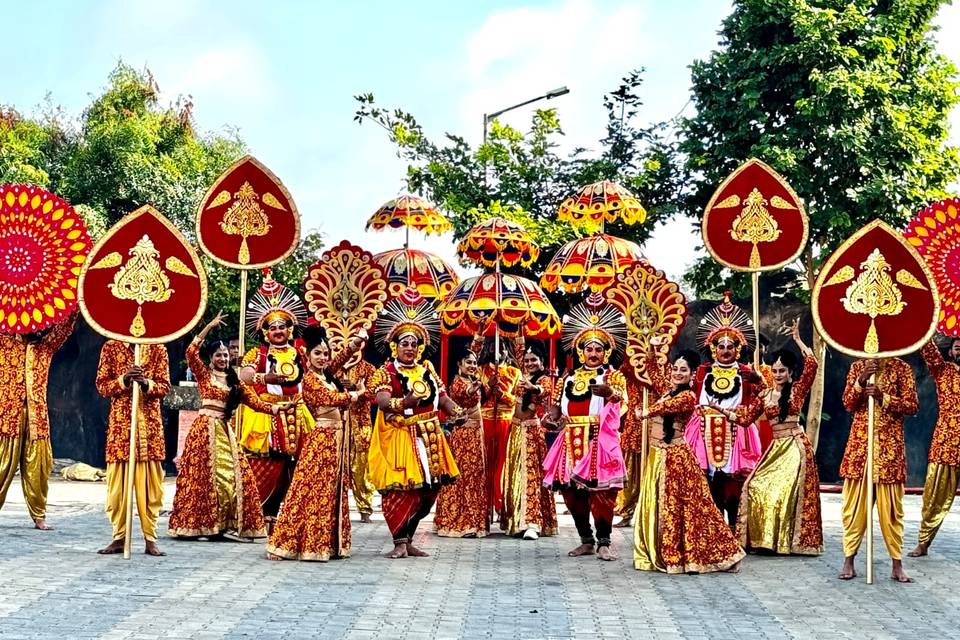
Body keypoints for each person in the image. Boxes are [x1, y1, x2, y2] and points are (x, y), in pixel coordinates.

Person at [633, 338, 744, 573]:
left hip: (676, 458)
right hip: (658, 456)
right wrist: (653, 349)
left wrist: (645, 412)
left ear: (693, 374)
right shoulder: (668, 390)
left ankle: (724, 554)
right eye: (675, 368)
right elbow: (653, 372)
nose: (677, 373)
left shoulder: (688, 397)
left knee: (692, 508)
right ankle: (666, 551)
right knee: (665, 506)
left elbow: (666, 408)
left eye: (683, 370)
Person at [367, 289, 464, 559]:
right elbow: (382, 401)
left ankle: (408, 538)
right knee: (403, 489)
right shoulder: (386, 371)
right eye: (404, 343)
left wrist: (457, 411)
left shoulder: (427, 370)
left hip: (431, 435)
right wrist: (406, 402)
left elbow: (442, 396)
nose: (409, 348)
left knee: (429, 490)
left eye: (413, 343)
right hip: (400, 435)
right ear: (394, 346)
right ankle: (398, 541)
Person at [168, 311, 270, 540]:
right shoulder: (205, 376)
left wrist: (277, 409)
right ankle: (202, 526)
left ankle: (225, 524)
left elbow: (254, 402)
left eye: (226, 355)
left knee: (233, 478)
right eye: (219, 356)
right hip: (203, 432)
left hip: (225, 432)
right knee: (200, 479)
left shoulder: (235, 382)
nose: (223, 359)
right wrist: (209, 327)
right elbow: (191, 352)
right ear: (212, 358)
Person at [266, 325, 365, 561]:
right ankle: (291, 542)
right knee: (310, 490)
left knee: (331, 492)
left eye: (325, 353)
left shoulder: (326, 374)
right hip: (322, 440)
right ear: (307, 356)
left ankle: (328, 543)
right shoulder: (309, 379)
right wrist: (357, 394)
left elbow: (340, 358)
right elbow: (331, 398)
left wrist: (356, 342)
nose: (323, 357)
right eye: (318, 353)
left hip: (337, 440)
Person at [542, 294, 627, 561]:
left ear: (606, 352)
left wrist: (611, 392)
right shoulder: (568, 377)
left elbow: (622, 404)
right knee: (570, 493)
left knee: (602, 494)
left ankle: (604, 542)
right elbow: (557, 406)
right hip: (569, 440)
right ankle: (586, 540)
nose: (593, 353)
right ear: (580, 351)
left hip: (598, 441)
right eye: (588, 349)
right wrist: (550, 417)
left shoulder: (613, 376)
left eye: (598, 349)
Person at [735, 319, 822, 555]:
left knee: (782, 491)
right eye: (774, 371)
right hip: (776, 448)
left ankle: (785, 543)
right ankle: (763, 540)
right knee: (754, 485)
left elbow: (812, 363)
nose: (777, 374)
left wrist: (798, 340)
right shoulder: (765, 394)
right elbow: (744, 419)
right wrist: (721, 411)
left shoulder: (798, 389)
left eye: (782, 370)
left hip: (795, 447)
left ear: (790, 372)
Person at [236, 273, 312, 523]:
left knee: (298, 467)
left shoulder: (300, 353)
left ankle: (290, 517)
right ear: (266, 333)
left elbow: (315, 375)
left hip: (299, 415)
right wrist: (264, 379)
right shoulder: (257, 353)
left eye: (282, 326)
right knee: (267, 466)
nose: (278, 331)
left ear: (290, 330)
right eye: (273, 327)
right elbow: (244, 375)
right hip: (266, 416)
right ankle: (258, 516)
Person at [684, 293, 764, 527]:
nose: (726, 350)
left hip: (736, 432)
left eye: (731, 346)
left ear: (737, 349)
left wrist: (759, 380)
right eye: (721, 346)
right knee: (708, 486)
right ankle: (712, 531)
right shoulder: (701, 372)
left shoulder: (748, 372)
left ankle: (734, 530)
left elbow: (766, 398)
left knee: (734, 488)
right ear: (713, 348)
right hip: (703, 431)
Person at [838, 357, 918, 583]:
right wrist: (861, 381)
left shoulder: (901, 368)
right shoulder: (856, 367)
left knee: (892, 512)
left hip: (889, 452)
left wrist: (884, 397)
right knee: (854, 510)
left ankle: (896, 564)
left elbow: (912, 405)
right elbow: (848, 403)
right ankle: (849, 561)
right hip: (860, 451)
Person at [0, 311, 76, 530]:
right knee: (2, 467)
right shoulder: (5, 343)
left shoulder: (44, 348)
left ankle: (38, 515)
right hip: (7, 417)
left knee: (38, 469)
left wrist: (75, 307)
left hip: (37, 419)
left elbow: (63, 329)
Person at [95, 340, 170, 556]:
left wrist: (146, 383)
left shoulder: (158, 347)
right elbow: (101, 385)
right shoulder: (110, 346)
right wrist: (124, 379)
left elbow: (165, 386)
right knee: (117, 491)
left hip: (150, 432)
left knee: (151, 491)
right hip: (121, 430)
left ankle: (150, 538)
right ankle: (119, 537)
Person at [910, 337, 960, 558]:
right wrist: (924, 328)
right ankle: (923, 542)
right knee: (934, 496)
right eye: (958, 347)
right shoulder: (943, 370)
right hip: (947, 442)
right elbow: (928, 350)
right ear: (951, 351)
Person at [501, 342, 557, 539]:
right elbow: (518, 349)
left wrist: (535, 388)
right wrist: (521, 328)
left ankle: (533, 522)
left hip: (531, 433)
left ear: (542, 362)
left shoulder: (543, 379)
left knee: (530, 475)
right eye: (526, 360)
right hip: (515, 430)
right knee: (515, 475)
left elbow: (545, 390)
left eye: (534, 360)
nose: (530, 363)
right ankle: (516, 520)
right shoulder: (521, 376)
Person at [470, 325, 523, 524]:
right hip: (485, 421)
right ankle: (483, 506)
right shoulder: (480, 370)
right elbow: (473, 396)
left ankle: (501, 506)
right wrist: (487, 388)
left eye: (500, 346)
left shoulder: (514, 372)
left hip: (505, 421)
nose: (496, 350)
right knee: (484, 464)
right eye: (492, 346)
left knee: (502, 464)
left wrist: (503, 395)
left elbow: (519, 399)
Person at [434, 350, 488, 538]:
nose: (472, 366)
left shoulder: (471, 379)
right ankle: (460, 522)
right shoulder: (457, 382)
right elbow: (459, 394)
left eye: (474, 362)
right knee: (464, 476)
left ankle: (474, 521)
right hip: (463, 435)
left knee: (476, 476)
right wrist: (470, 391)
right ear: (459, 364)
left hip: (476, 434)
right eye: (468, 362)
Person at [333, 341, 378, 524]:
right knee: (336, 465)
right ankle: (334, 508)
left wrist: (359, 390)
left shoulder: (368, 369)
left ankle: (365, 509)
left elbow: (375, 393)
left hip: (361, 424)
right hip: (339, 423)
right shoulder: (335, 368)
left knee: (362, 467)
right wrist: (339, 385)